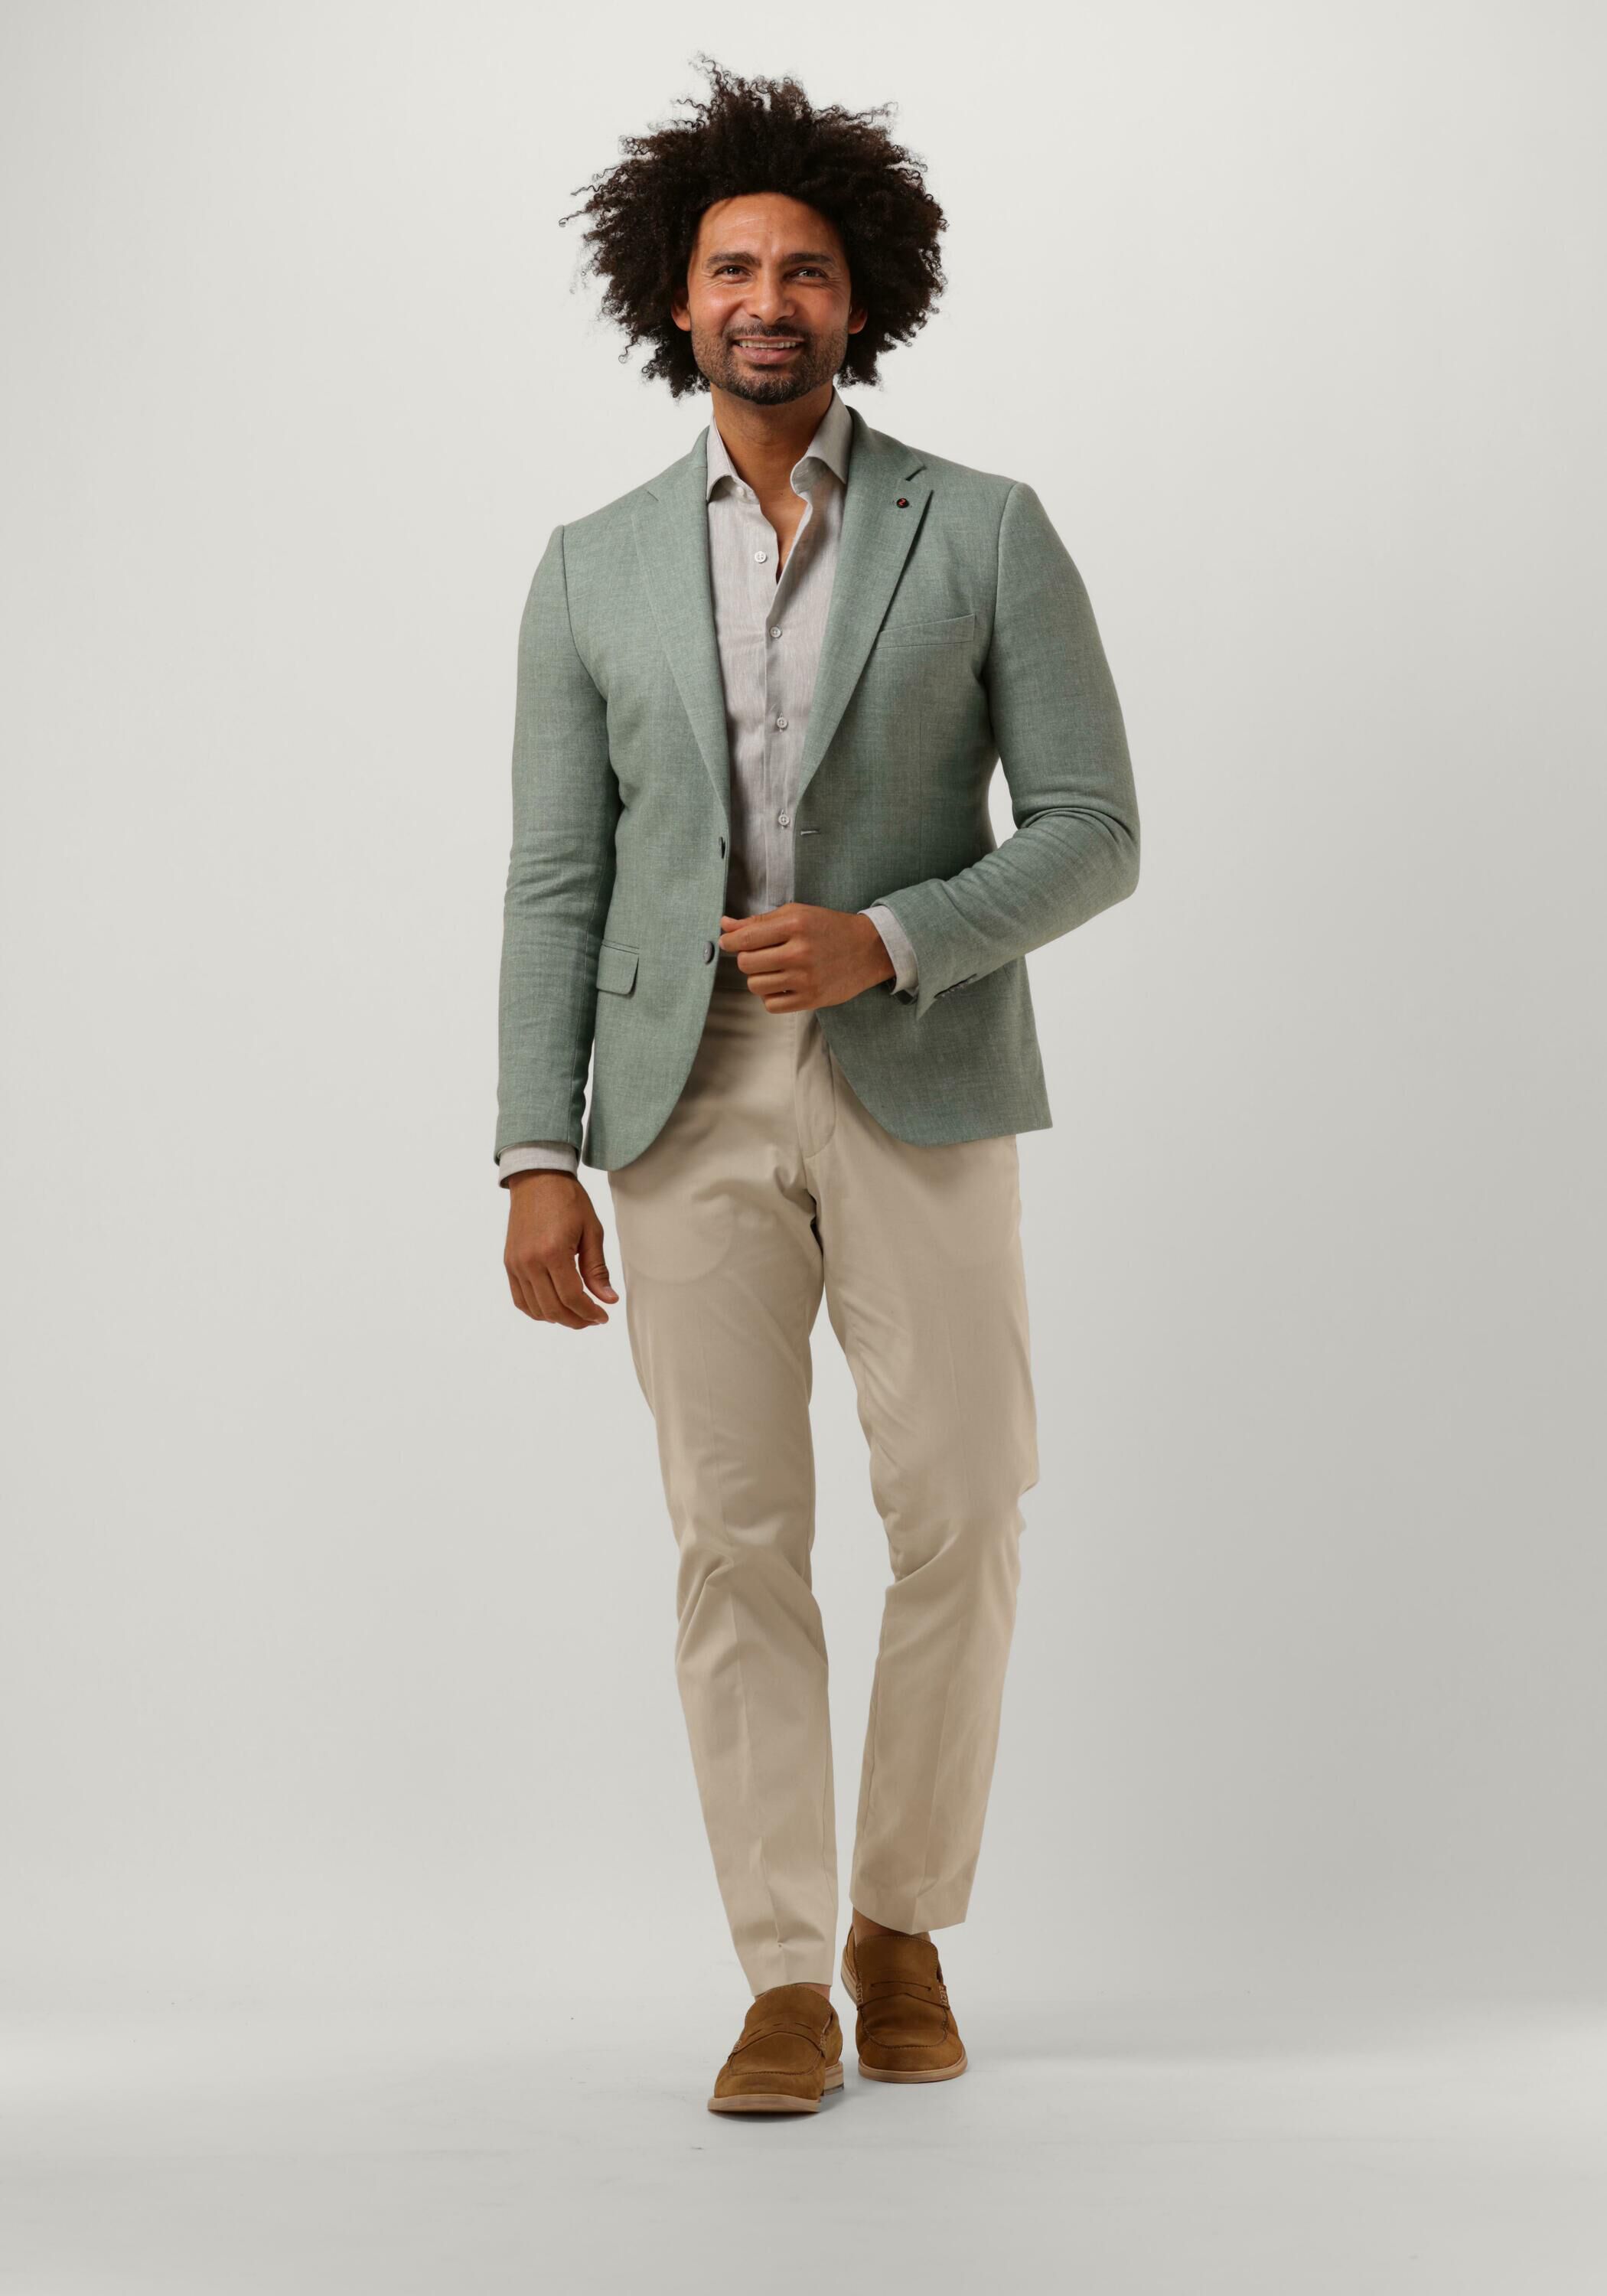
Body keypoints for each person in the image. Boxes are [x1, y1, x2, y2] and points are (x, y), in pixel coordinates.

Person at [494, 59, 1139, 2115]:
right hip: (674, 1098)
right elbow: (557, 874)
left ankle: (899, 1925)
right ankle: (781, 1973)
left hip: (919, 1068)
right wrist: (533, 1150)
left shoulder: (987, 528)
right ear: (674, 300)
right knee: (733, 1534)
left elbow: (1096, 828)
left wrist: (894, 937)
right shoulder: (590, 565)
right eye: (731, 269)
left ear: (862, 300)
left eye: (802, 270)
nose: (765, 300)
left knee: (963, 1501)